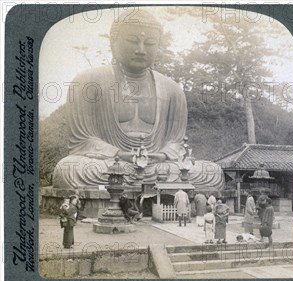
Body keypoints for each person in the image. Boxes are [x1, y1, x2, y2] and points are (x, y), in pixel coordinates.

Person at [50, 9, 224, 190]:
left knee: (212, 171)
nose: (141, 50)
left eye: (149, 43)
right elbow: (82, 140)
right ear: (113, 42)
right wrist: (120, 154)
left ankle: (139, 180)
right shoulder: (88, 82)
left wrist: (163, 155)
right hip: (111, 163)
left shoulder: (172, 89)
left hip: (157, 164)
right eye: (133, 41)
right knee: (68, 169)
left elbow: (176, 142)